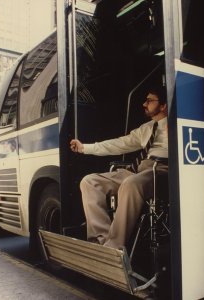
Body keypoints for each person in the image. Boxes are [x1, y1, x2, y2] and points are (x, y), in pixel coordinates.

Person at [70, 87, 168, 249]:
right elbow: (118, 144)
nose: (144, 104)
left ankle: (114, 246)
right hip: (139, 170)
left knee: (131, 183)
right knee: (89, 182)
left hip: (163, 169)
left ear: (163, 105)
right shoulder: (147, 128)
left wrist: (174, 135)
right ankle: (101, 241)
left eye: (149, 101)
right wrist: (85, 148)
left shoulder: (178, 123)